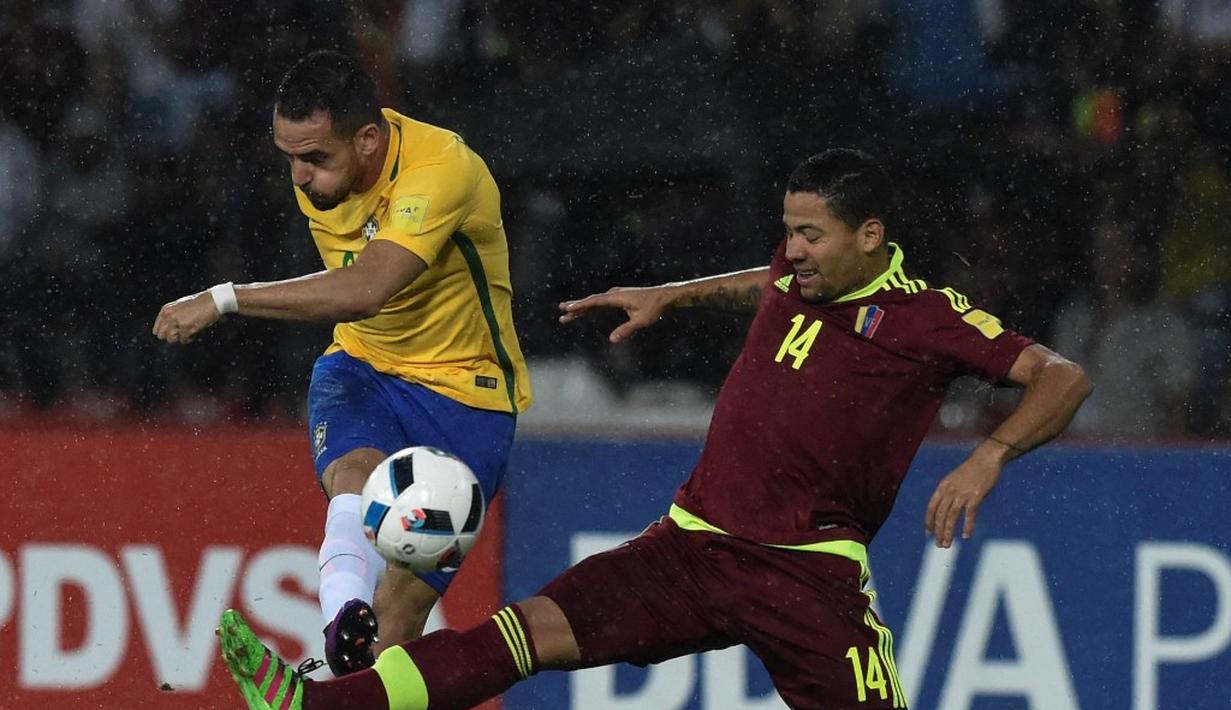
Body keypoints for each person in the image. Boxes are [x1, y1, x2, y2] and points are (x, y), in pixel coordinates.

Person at [215, 148, 1091, 709]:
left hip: (807, 574)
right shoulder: (798, 273)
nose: (792, 253)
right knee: (525, 635)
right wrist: (672, 294)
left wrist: (988, 457)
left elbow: (1061, 375)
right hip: (691, 543)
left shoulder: (924, 316)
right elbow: (763, 278)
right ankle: (317, 707)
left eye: (811, 236)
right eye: (787, 231)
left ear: (870, 236)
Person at [153, 49, 532, 676]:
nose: (300, 177)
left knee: (398, 623)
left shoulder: (441, 169)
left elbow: (365, 289)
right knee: (353, 475)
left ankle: (345, 665)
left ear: (367, 140)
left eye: (314, 159)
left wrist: (225, 299)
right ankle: (339, 622)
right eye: (290, 158)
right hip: (362, 367)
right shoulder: (321, 171)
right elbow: (359, 307)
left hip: (467, 397)